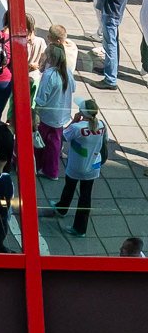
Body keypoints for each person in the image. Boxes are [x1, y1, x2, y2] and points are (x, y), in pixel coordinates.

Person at [52, 101, 113, 238]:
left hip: (77, 165)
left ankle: (62, 209)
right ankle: (80, 228)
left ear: (82, 112)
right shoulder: (101, 124)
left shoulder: (77, 127)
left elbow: (63, 136)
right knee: (86, 196)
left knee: (69, 187)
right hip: (93, 165)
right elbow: (105, 140)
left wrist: (74, 121)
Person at [33, 41, 75, 181]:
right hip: (61, 115)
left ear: (50, 57)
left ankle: (41, 167)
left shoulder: (49, 74)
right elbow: (73, 88)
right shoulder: (67, 72)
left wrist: (35, 112)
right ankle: (51, 170)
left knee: (41, 142)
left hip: (47, 116)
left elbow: (41, 98)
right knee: (55, 143)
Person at [94, 0, 134, 90]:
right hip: (113, 14)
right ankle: (110, 69)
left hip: (110, 15)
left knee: (110, 46)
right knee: (112, 44)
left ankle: (110, 79)